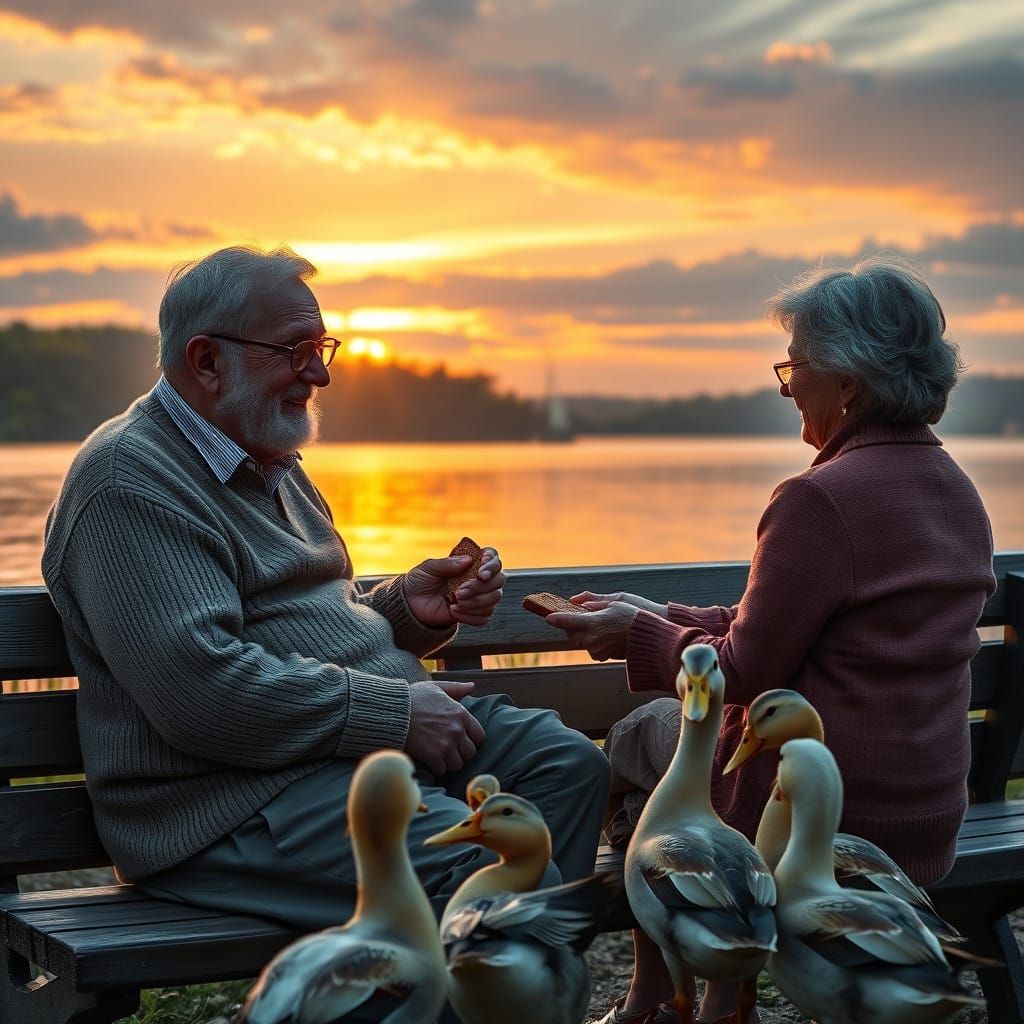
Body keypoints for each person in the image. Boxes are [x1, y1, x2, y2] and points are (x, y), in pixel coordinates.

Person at [41, 245, 609, 953]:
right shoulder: (128, 483)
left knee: (569, 768)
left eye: (322, 346)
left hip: (338, 758)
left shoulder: (264, 456)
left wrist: (403, 610)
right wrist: (393, 714)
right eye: (296, 350)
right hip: (232, 807)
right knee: (483, 874)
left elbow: (297, 622)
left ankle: (508, 997)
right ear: (207, 361)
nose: (321, 373)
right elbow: (201, 691)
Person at [545, 254, 996, 1024]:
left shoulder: (820, 499)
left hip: (812, 818)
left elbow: (747, 668)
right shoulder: (957, 492)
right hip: (925, 816)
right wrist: (650, 612)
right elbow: (801, 633)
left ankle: (666, 994)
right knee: (666, 758)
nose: (787, 388)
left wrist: (636, 639)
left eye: (797, 370)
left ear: (848, 384)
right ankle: (719, 994)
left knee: (637, 740)